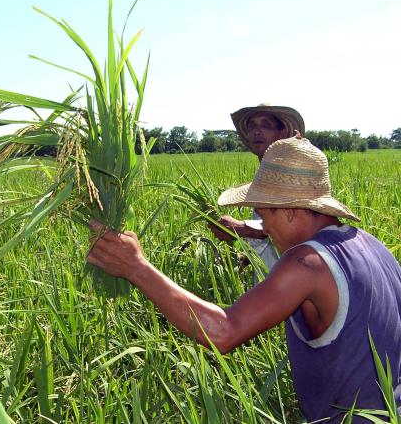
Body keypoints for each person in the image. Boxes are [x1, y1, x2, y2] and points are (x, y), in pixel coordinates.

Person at [87, 136, 401, 422]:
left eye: (264, 216)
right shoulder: (369, 244)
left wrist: (137, 268)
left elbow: (224, 332)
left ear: (290, 212)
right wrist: (246, 230)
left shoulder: (306, 263)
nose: (264, 226)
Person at [208, 105, 306, 271]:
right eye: (252, 125)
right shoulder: (263, 174)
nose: (257, 131)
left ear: (282, 133)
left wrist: (242, 227)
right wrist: (244, 259)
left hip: (292, 285)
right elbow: (270, 239)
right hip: (269, 284)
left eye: (266, 125)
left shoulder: (291, 174)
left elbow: (295, 225)